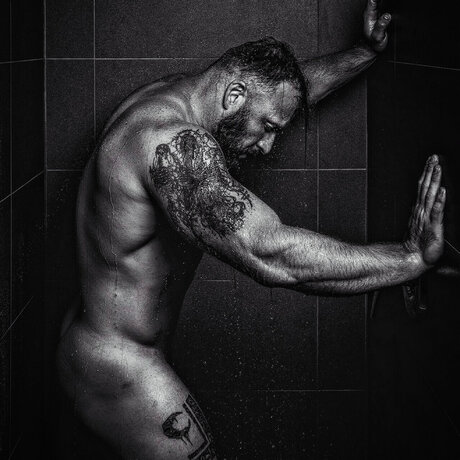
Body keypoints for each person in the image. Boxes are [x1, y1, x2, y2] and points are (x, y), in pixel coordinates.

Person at [57, 1, 446, 458]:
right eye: (268, 128)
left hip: (101, 345)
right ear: (235, 94)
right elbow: (270, 254)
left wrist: (364, 53)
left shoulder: (183, 94)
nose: (267, 146)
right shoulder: (170, 144)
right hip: (118, 365)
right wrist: (409, 259)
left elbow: (284, 93)